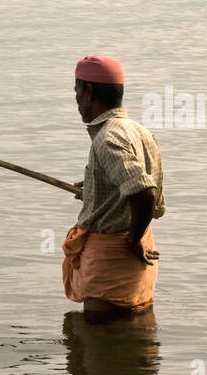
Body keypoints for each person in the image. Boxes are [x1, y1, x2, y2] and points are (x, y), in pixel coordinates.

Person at [64, 56, 165, 323]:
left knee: (101, 344)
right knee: (132, 341)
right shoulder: (139, 131)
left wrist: (132, 241)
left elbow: (144, 194)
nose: (76, 101)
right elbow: (135, 186)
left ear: (89, 91)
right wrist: (98, 186)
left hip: (114, 259)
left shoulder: (107, 139)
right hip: (137, 256)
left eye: (77, 92)